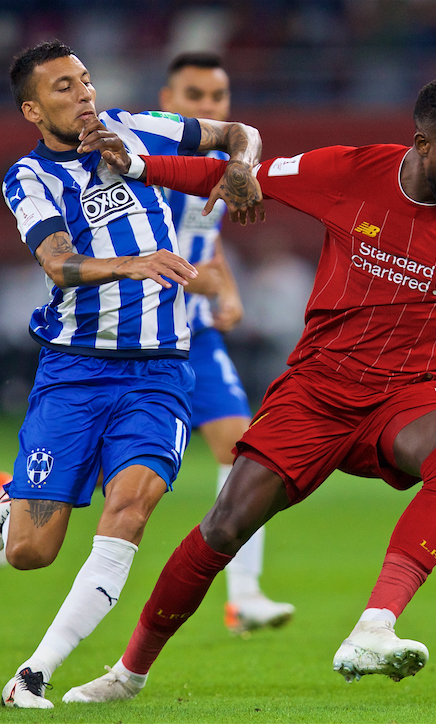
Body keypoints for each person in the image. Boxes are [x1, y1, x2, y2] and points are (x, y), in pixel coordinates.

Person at [62, 76, 436, 703]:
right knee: (223, 529)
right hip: (318, 392)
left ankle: (374, 626)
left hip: (406, 396)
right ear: (421, 144)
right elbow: (236, 180)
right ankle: (128, 674)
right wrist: (139, 164)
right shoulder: (351, 173)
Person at [0, 40, 261, 709]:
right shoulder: (29, 178)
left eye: (86, 81)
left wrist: (241, 167)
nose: (84, 96)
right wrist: (130, 264)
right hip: (74, 373)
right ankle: (11, 499)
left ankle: (33, 675)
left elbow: (237, 133)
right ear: (32, 109)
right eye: (64, 88)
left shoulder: (137, 130)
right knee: (30, 554)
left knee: (129, 510)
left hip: (159, 372)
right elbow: (57, 262)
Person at [157, 51, 295, 633]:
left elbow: (204, 242)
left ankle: (243, 597)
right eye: (196, 96)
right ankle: (10, 494)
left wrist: (224, 289)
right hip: (139, 334)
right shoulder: (146, 165)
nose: (208, 107)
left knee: (242, 449)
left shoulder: (220, 163)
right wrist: (201, 278)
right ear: (167, 103)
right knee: (94, 470)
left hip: (196, 329)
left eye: (217, 97)